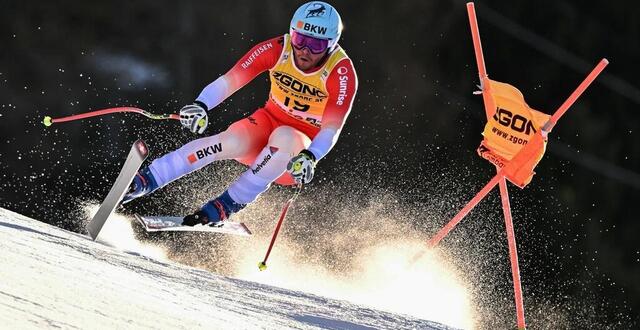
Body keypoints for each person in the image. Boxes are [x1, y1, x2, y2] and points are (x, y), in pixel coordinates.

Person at [123, 1, 358, 226]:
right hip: (266, 123)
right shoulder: (278, 49)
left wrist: (311, 156)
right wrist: (201, 105)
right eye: (300, 39)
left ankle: (225, 205)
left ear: (332, 44)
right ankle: (145, 181)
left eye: (316, 45)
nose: (304, 51)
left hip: (294, 156)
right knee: (227, 141)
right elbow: (231, 79)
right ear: (291, 33)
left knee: (285, 137)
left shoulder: (341, 72)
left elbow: (332, 128)